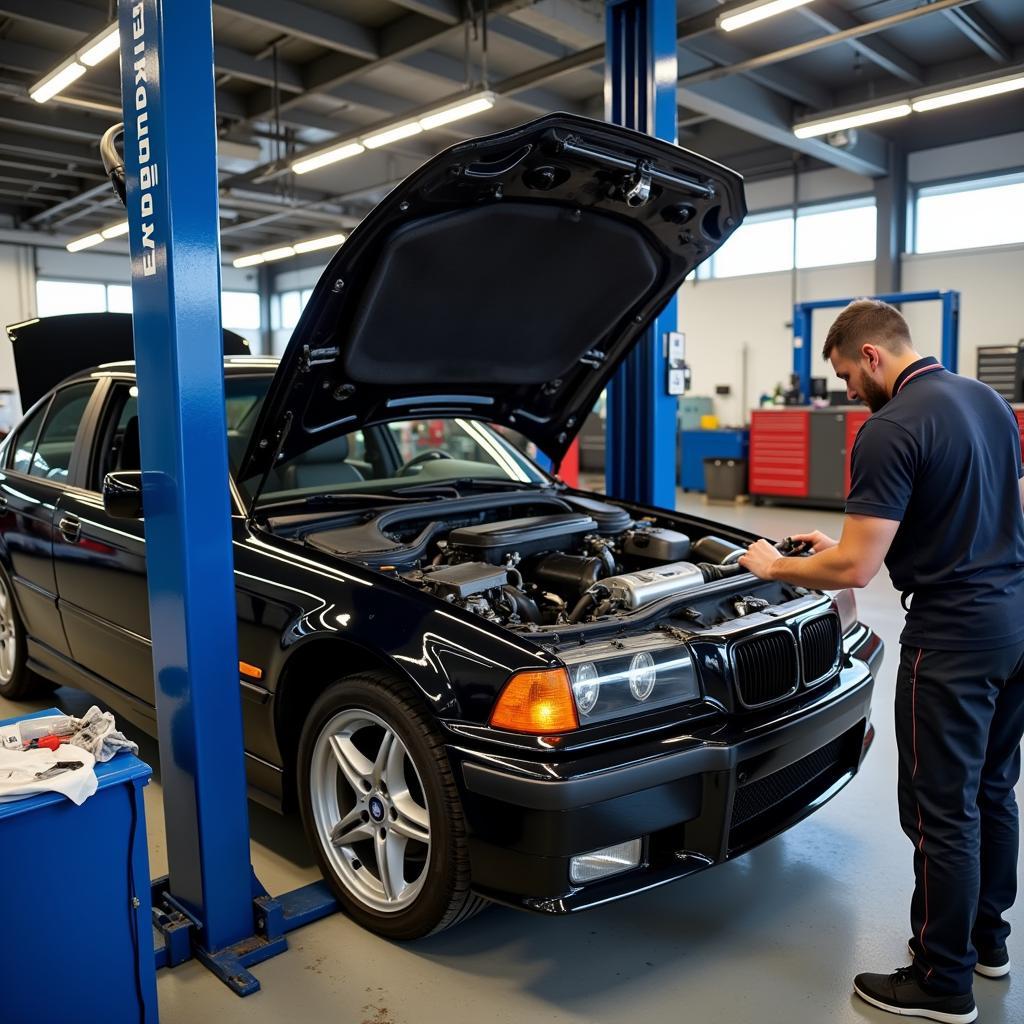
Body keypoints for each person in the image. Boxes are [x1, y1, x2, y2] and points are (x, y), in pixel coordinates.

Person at [739, 298, 1024, 1024]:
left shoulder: (889, 426)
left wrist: (775, 567)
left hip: (953, 637)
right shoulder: (985, 401)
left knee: (940, 810)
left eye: (843, 375)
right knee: (993, 789)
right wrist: (829, 544)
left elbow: (857, 571)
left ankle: (940, 980)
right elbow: (983, 508)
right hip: (1014, 620)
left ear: (870, 356)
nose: (845, 391)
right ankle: (987, 943)